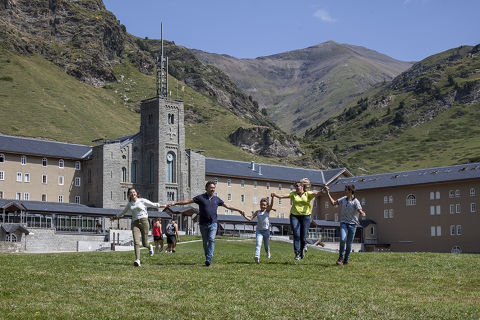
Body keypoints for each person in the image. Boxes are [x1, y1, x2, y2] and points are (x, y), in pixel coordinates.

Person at [167, 181, 244, 266]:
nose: (213, 189)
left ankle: (209, 258)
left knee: (211, 239)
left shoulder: (216, 199)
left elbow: (227, 206)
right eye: (211, 188)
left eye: (214, 188)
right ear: (206, 188)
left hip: (213, 223)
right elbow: (188, 201)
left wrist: (239, 210)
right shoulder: (200, 198)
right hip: (203, 224)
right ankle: (207, 256)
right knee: (205, 242)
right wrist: (175, 203)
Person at [110, 188, 165, 267]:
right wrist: (115, 217)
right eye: (131, 193)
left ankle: (150, 247)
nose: (133, 193)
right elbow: (123, 212)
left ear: (136, 193)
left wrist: (165, 205)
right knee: (136, 242)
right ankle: (137, 260)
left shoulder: (142, 201)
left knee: (144, 243)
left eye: (134, 192)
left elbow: (153, 204)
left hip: (144, 222)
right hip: (135, 223)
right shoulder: (129, 204)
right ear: (129, 195)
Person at [271, 178, 323, 260]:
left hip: (305, 216)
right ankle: (297, 253)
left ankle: (302, 250)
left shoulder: (307, 194)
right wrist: (275, 195)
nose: (296, 187)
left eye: (298, 186)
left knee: (303, 236)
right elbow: (283, 196)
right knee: (296, 234)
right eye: (295, 186)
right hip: (294, 216)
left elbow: (316, 194)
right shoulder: (293, 194)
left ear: (302, 186)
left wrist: (322, 191)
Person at [325, 184, 366, 265]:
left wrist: (362, 213)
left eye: (346, 189)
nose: (345, 191)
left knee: (349, 243)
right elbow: (333, 203)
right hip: (344, 223)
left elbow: (359, 209)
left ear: (350, 191)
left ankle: (346, 260)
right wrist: (327, 193)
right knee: (343, 239)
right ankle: (340, 258)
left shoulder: (356, 202)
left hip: (353, 225)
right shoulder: (343, 199)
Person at [240, 196, 274, 263]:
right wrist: (244, 215)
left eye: (264, 205)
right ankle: (257, 256)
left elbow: (271, 205)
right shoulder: (257, 212)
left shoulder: (267, 211)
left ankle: (268, 252)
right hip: (259, 231)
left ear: (267, 206)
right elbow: (250, 219)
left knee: (266, 245)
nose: (262, 206)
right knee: (258, 244)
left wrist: (272, 198)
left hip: (266, 231)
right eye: (261, 205)